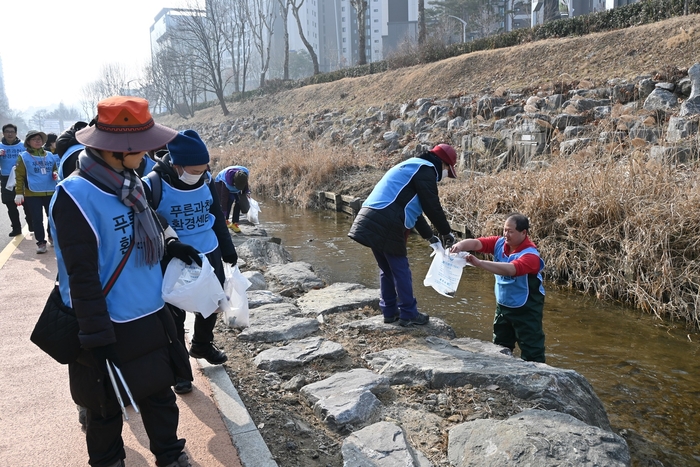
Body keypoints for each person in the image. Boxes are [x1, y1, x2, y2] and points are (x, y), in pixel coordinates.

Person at [49, 96, 200, 467]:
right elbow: (81, 276)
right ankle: (108, 461)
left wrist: (172, 246)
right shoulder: (75, 197)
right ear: (117, 150)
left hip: (149, 311)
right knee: (104, 407)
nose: (153, 151)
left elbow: (151, 227)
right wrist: (96, 337)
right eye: (144, 145)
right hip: (104, 322)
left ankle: (170, 454)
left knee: (159, 394)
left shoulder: (132, 182)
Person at [144, 129, 238, 394]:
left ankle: (202, 344)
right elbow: (146, 218)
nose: (199, 174)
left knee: (211, 303)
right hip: (174, 256)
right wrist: (170, 243)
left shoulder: (205, 180)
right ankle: (179, 368)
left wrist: (228, 249)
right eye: (194, 169)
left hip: (208, 251)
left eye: (203, 169)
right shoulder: (152, 183)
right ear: (176, 164)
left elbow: (216, 215)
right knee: (174, 314)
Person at [348, 144, 457, 327]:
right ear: (443, 163)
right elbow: (432, 206)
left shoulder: (412, 166)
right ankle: (408, 313)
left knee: (387, 269)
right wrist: (446, 232)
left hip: (371, 215)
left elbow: (415, 210)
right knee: (401, 270)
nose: (446, 175)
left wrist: (430, 237)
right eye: (448, 170)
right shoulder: (426, 169)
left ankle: (389, 312)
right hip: (387, 220)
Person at [449, 213, 546, 363]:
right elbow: (476, 244)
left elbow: (511, 270)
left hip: (527, 309)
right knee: (500, 346)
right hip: (503, 307)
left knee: (532, 349)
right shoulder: (499, 243)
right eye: (505, 230)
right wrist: (459, 246)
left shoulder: (531, 256)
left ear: (523, 233)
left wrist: (480, 263)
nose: (506, 234)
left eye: (510, 231)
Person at [14, 130, 59, 253]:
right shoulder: (23, 156)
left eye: (39, 139)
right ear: (28, 142)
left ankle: (51, 235)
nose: (38, 141)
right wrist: (18, 192)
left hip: (50, 190)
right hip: (32, 193)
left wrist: (55, 173)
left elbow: (55, 169)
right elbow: (19, 176)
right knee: (37, 218)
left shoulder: (49, 155)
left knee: (52, 216)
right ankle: (41, 242)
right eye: (34, 139)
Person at [0, 124, 30, 236]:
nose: (10, 134)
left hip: (23, 178)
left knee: (27, 202)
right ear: (3, 133)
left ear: (16, 133)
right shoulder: (0, 146)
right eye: (7, 131)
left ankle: (30, 222)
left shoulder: (23, 146)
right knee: (10, 204)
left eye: (12, 131)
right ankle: (16, 228)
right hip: (6, 178)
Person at [213, 165, 250, 233]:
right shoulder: (225, 180)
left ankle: (235, 223)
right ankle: (226, 220)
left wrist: (246, 192)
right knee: (229, 200)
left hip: (236, 182)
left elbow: (245, 183)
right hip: (220, 184)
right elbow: (224, 199)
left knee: (239, 201)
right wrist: (223, 213)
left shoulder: (244, 174)